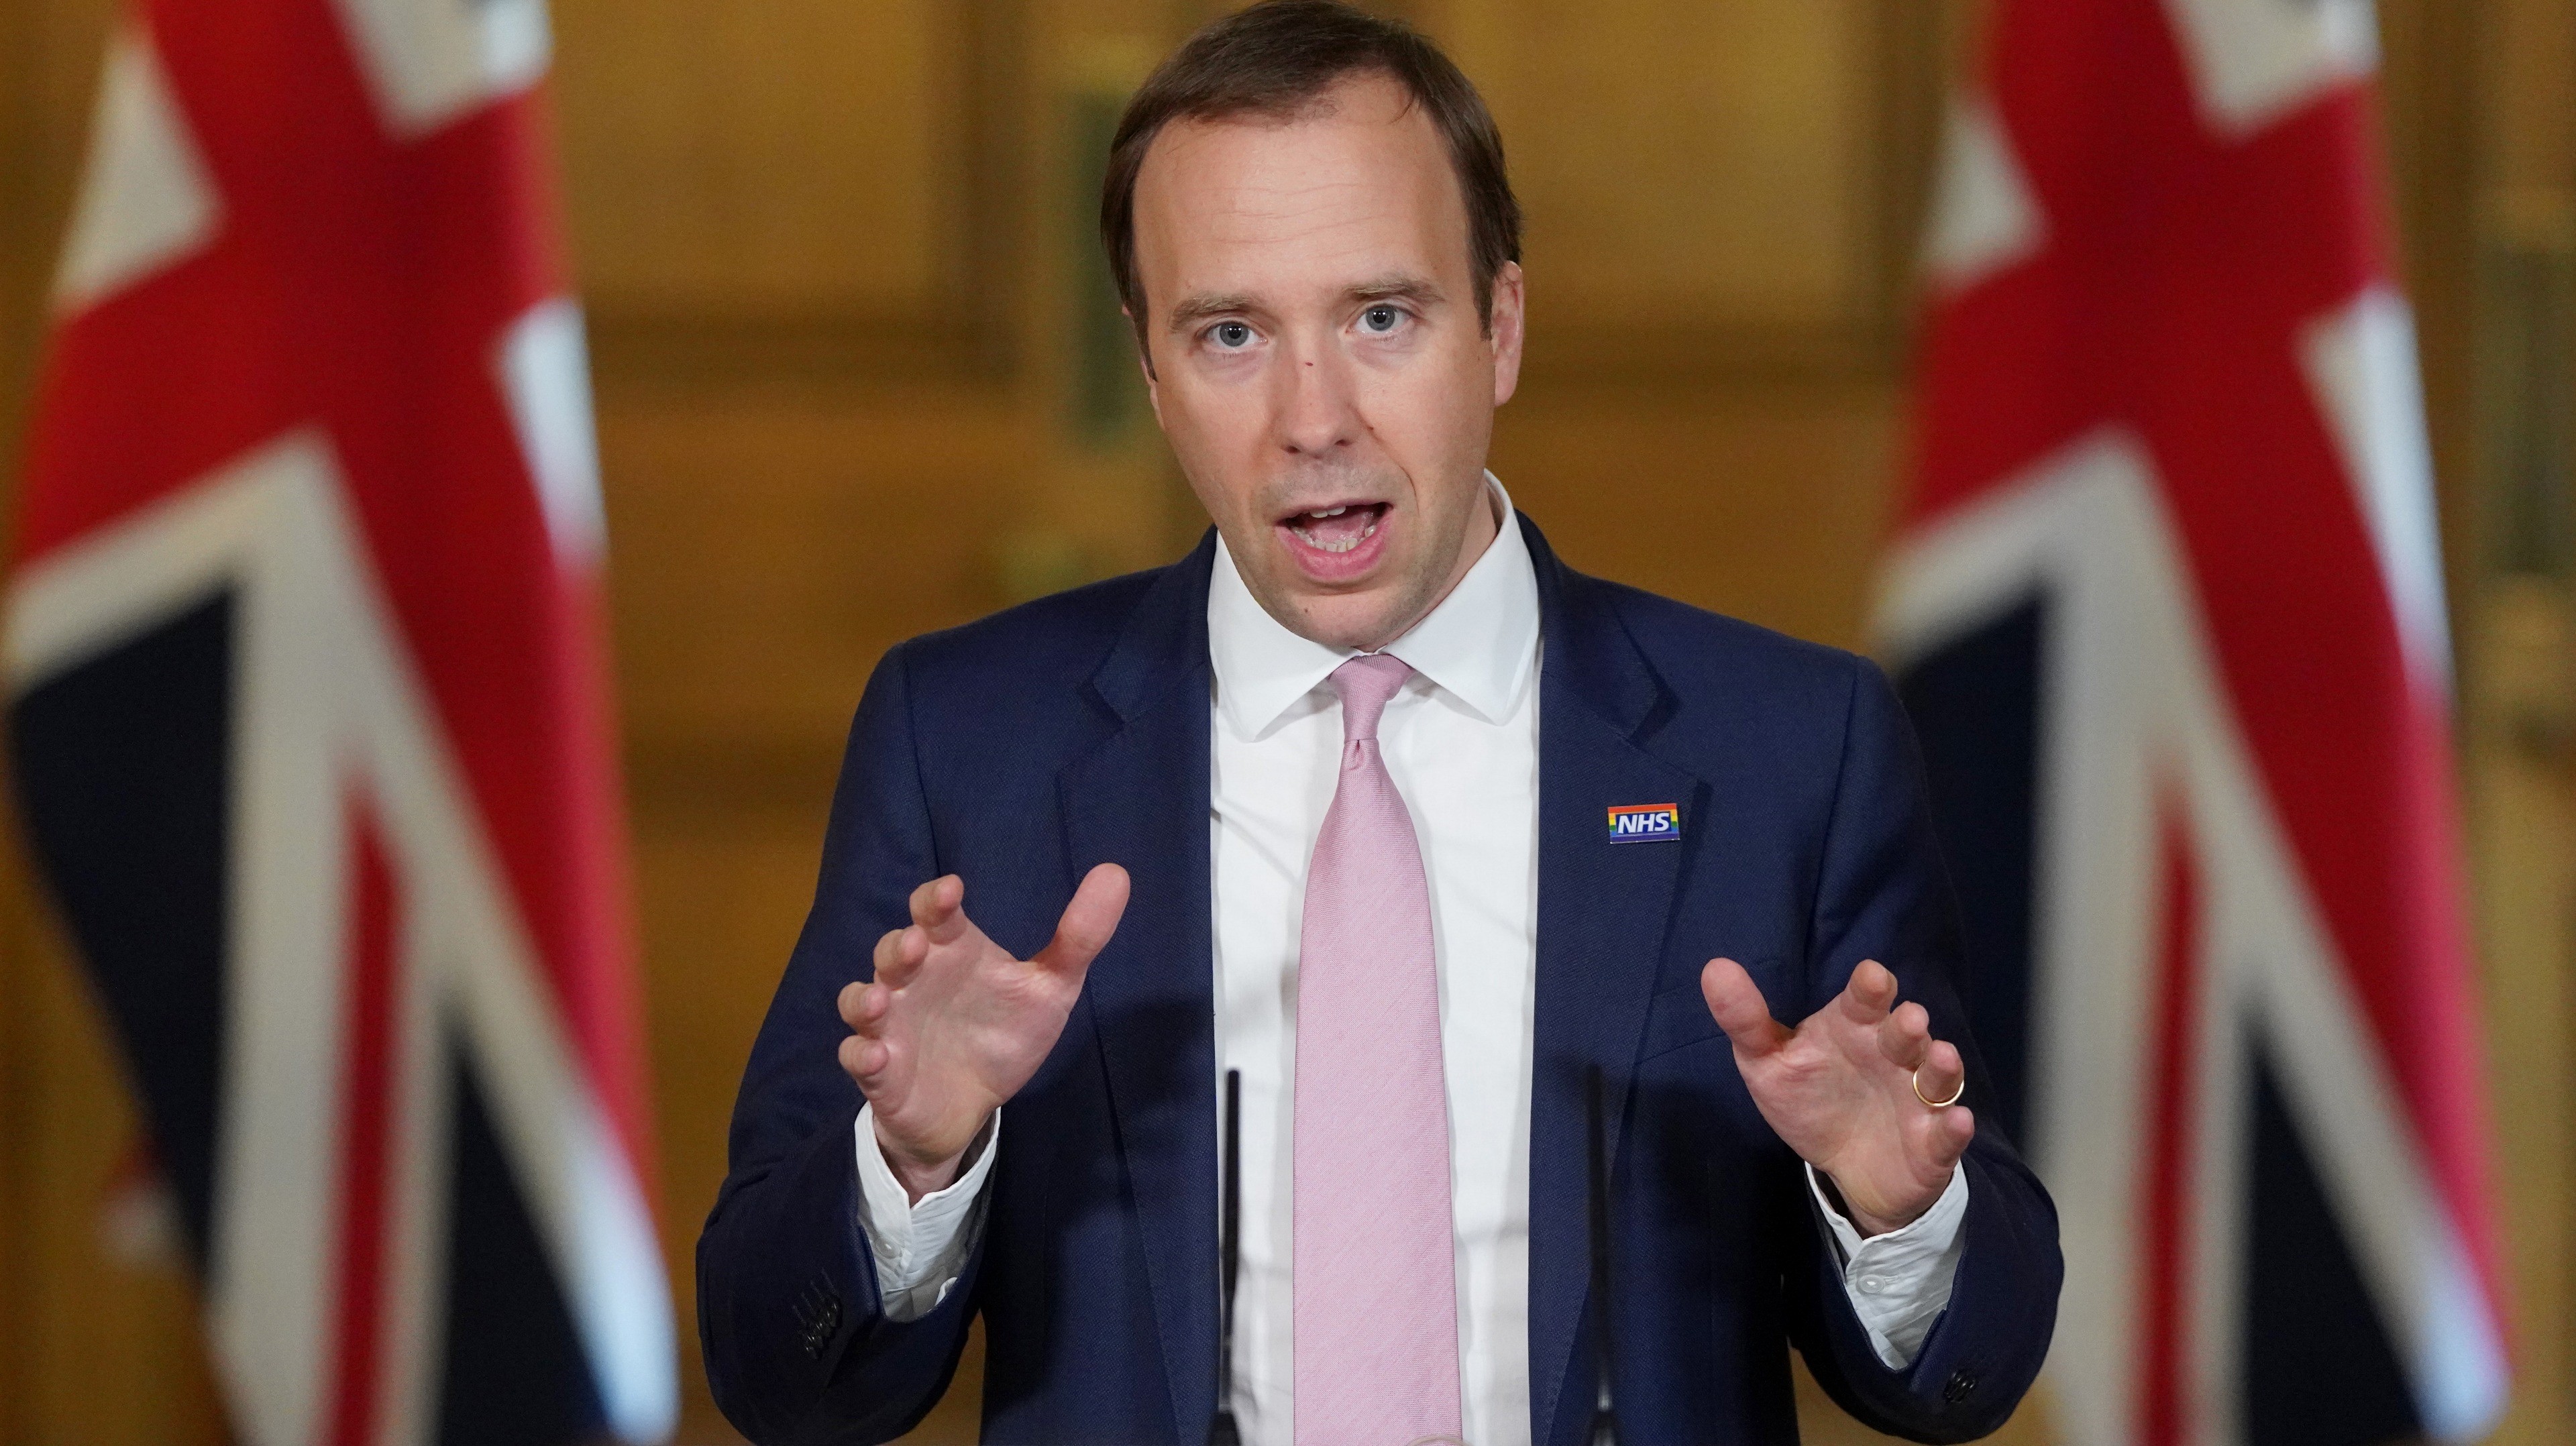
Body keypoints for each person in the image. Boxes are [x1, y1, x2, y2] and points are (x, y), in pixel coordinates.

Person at [696, 3, 2061, 1442]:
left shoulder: (1790, 747)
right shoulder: (969, 741)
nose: (1315, 417)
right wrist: (911, 1164)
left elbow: (1963, 1373)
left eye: (1381, 317)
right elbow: (780, 1375)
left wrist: (1894, 1207)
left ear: (1502, 328)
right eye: (1232, 333)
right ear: (1151, 372)